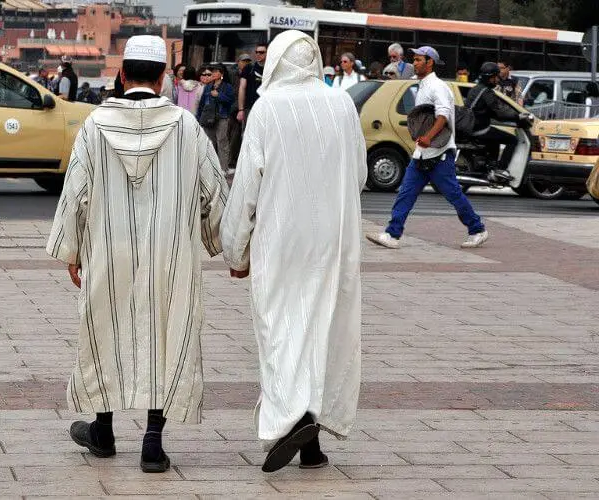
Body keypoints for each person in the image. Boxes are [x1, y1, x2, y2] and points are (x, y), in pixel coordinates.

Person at [46, 34, 228, 474]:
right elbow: (215, 194)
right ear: (163, 77)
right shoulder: (186, 127)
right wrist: (221, 242)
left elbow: (75, 193)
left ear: (122, 74)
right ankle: (152, 441)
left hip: (109, 249)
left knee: (104, 329)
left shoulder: (94, 125)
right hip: (170, 253)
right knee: (165, 335)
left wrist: (72, 249)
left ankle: (103, 430)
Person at [221, 29, 366, 474]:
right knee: (324, 332)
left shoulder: (267, 108)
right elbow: (359, 172)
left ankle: (293, 420)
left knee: (282, 329)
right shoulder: (342, 105)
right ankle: (312, 442)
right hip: (334, 241)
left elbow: (247, 185)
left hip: (280, 242)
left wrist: (236, 251)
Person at [366, 46, 488, 250]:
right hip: (422, 153)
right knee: (406, 193)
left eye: (418, 60)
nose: (414, 63)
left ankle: (477, 229)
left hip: (439, 152)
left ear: (430, 62)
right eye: (414, 59)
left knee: (453, 194)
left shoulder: (437, 86)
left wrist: (428, 138)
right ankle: (392, 234)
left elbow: (443, 116)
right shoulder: (422, 85)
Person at [466, 62, 532, 183]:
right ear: (491, 78)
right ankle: (501, 169)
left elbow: (491, 112)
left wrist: (508, 117)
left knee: (495, 136)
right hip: (479, 128)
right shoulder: (487, 92)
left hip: (473, 126)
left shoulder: (476, 89)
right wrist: (517, 116)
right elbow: (499, 111)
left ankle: (491, 167)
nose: (497, 80)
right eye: (496, 77)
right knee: (512, 139)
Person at [197, 63, 235, 174]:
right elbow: (202, 104)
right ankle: (211, 168)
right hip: (208, 117)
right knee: (209, 143)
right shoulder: (208, 86)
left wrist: (219, 95)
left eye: (215, 71)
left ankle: (223, 168)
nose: (213, 73)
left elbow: (231, 101)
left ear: (221, 73)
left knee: (222, 141)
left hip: (222, 117)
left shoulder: (227, 87)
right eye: (212, 71)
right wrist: (199, 117)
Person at [237, 43, 267, 125]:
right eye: (256, 52)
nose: (258, 54)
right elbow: (242, 88)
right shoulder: (249, 68)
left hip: (267, 107)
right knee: (248, 131)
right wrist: (241, 109)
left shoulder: (272, 68)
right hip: (250, 107)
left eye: (261, 52)